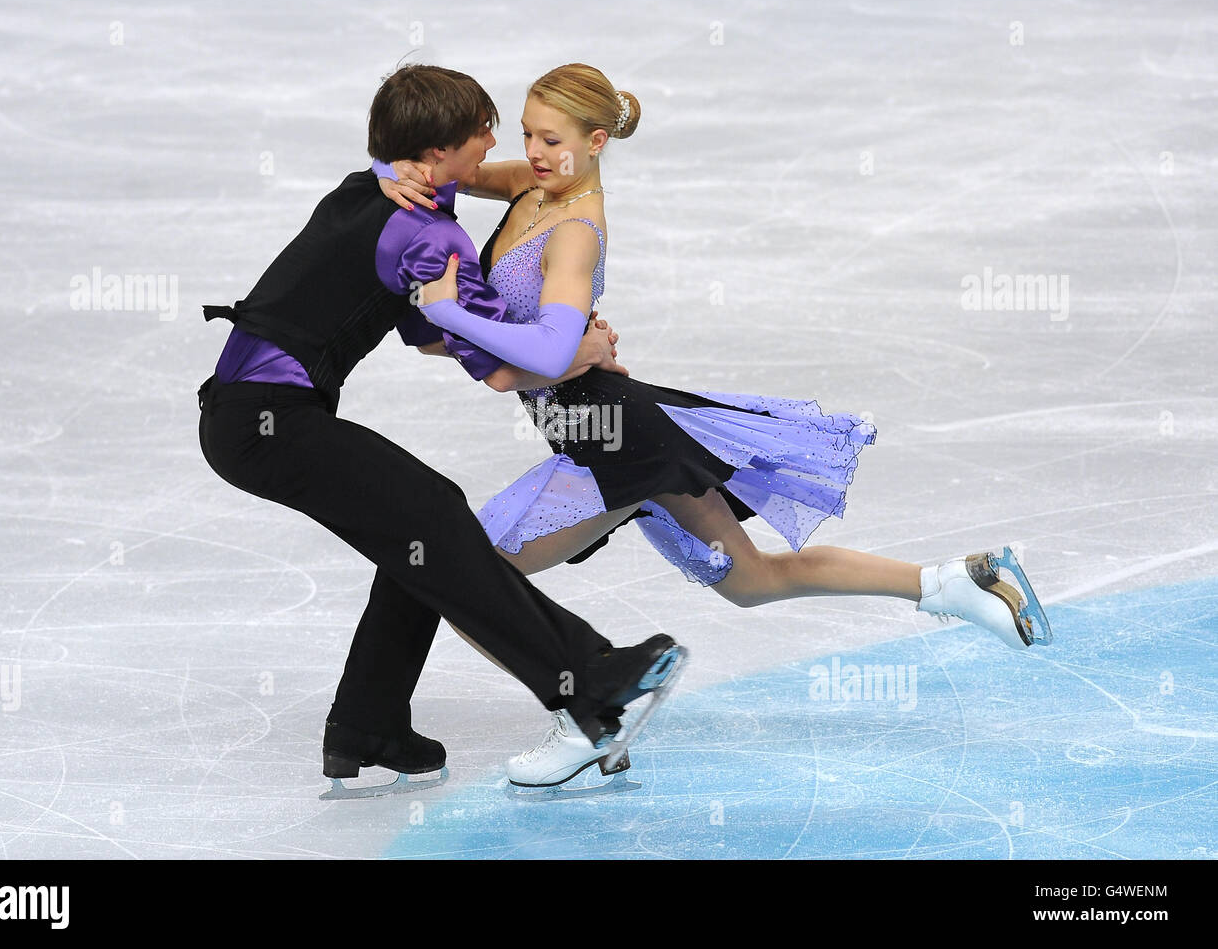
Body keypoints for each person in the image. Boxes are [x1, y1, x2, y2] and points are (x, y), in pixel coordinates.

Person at [376, 62, 1051, 795]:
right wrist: (391, 172)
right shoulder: (534, 184)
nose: (534, 152)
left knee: (471, 576)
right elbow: (452, 174)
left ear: (595, 143)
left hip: (610, 439)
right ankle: (958, 581)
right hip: (621, 429)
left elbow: (546, 353)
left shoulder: (574, 232)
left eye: (552, 140)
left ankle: (590, 715)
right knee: (752, 580)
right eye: (529, 134)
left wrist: (472, 320)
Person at [196, 64, 686, 797]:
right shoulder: (428, 235)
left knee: (417, 530)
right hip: (266, 424)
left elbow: (430, 336)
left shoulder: (373, 191)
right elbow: (498, 371)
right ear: (435, 154)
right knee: (432, 514)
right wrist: (580, 352)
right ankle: (589, 678)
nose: (493, 144)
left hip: (248, 417)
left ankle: (367, 728)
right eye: (482, 133)